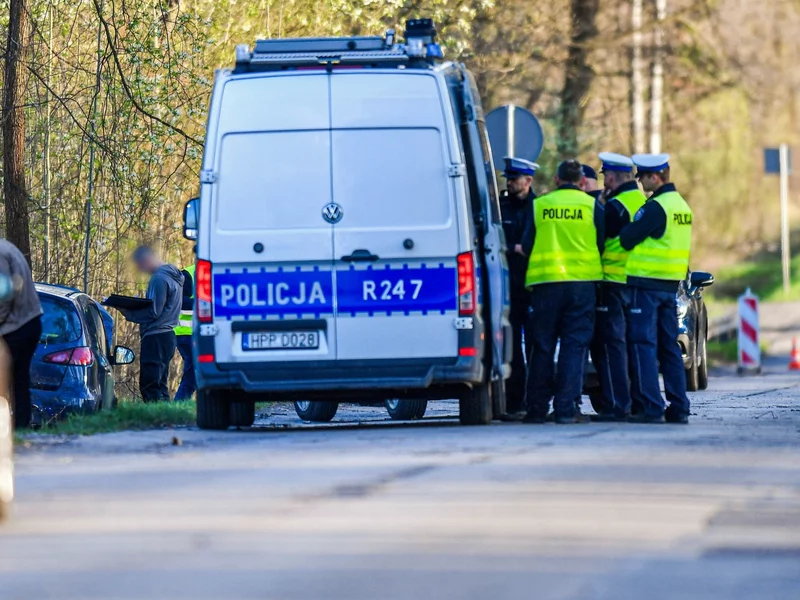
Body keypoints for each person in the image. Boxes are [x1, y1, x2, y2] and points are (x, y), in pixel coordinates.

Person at [523, 160, 605, 424]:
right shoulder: (592, 206)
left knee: (543, 346)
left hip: (546, 285)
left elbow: (526, 245)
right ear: (582, 181)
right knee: (574, 347)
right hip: (582, 286)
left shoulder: (540, 205)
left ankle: (536, 410)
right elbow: (603, 243)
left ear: (557, 179)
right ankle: (565, 409)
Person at [620, 153, 693, 424]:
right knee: (669, 348)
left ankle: (651, 407)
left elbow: (627, 239)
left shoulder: (656, 207)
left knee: (643, 345)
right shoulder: (682, 206)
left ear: (655, 177)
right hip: (669, 287)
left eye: (642, 177)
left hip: (646, 285)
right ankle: (679, 407)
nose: (640, 182)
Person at [590, 152, 647, 422]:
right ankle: (639, 402)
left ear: (611, 177)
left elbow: (597, 241)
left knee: (612, 347)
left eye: (604, 177)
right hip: (637, 282)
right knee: (636, 346)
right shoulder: (642, 201)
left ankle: (616, 404)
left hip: (613, 284)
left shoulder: (614, 207)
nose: (604, 182)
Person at [119, 246, 184, 403]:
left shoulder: (159, 278)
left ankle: (155, 419)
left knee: (150, 384)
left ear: (146, 260)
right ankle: (166, 418)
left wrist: (128, 312)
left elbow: (154, 312)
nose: (142, 270)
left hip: (156, 336)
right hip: (167, 336)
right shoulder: (174, 276)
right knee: (160, 383)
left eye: (140, 266)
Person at [499, 157, 537, 417]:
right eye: (509, 180)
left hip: (534, 287)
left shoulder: (539, 207)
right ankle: (515, 403)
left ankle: (535, 401)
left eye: (514, 180)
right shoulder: (500, 207)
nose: (510, 184)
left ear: (528, 181)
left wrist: (516, 248)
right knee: (512, 348)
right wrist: (515, 248)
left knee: (537, 346)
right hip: (509, 286)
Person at [0, 240, 43, 429]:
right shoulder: (8, 247)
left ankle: (14, 428)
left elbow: (4, 296)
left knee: (11, 380)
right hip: (29, 322)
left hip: (16, 326)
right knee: (20, 380)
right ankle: (20, 427)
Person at [174, 263, 196, 401]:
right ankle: (180, 402)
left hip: (199, 333)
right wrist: (204, 302)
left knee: (194, 373)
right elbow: (179, 301)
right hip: (186, 333)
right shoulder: (188, 274)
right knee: (193, 373)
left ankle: (180, 403)